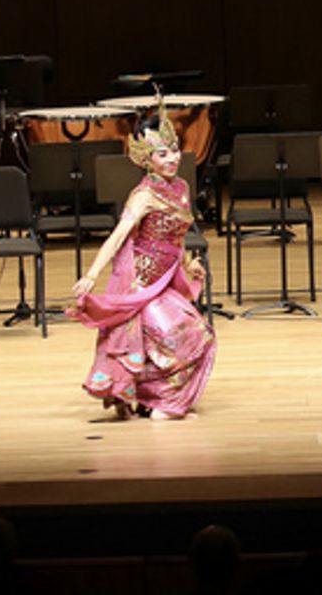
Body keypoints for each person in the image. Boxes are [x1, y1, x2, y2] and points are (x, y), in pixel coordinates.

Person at [68, 102, 216, 421]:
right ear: (146, 160)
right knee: (169, 337)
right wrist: (92, 275)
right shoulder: (143, 195)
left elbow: (176, 235)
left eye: (174, 150)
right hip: (141, 282)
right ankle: (157, 403)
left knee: (197, 334)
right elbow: (118, 237)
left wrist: (189, 263)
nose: (173, 158)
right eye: (162, 154)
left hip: (167, 278)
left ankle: (159, 402)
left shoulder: (181, 187)